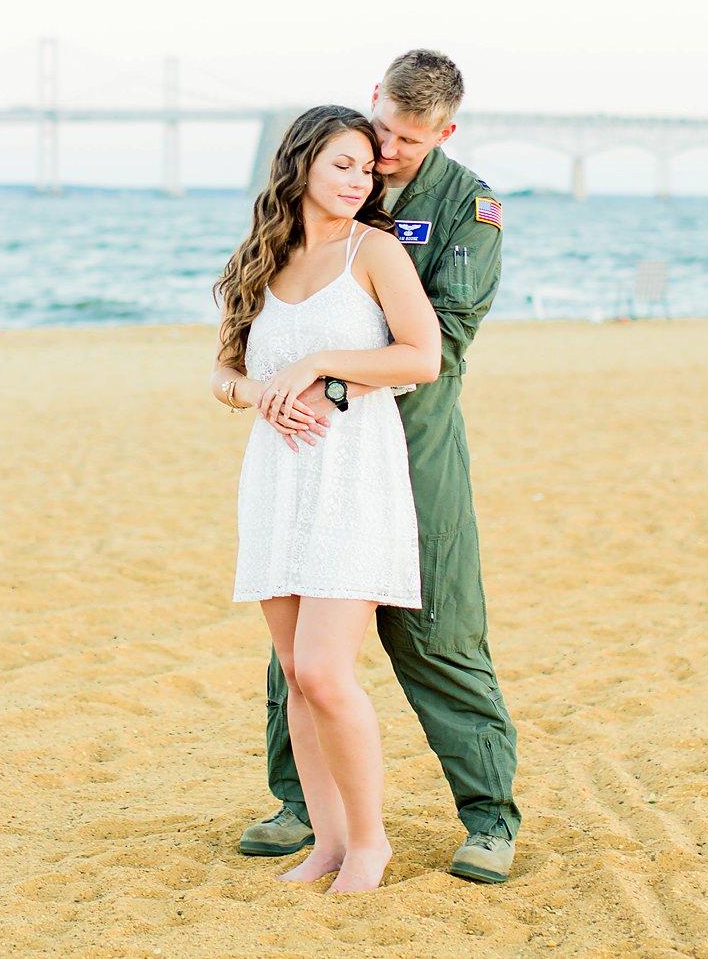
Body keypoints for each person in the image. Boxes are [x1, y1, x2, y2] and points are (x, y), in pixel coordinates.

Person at [236, 50, 522, 886]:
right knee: (301, 645)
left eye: (405, 140)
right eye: (381, 130)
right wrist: (267, 388)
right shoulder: (334, 176)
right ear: (373, 102)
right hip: (317, 447)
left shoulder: (470, 207)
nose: (385, 154)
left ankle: (489, 815)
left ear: (443, 132)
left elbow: (447, 339)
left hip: (414, 437)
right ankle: (301, 807)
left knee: (439, 628)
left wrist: (324, 379)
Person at [210, 104, 443, 894]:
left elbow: (423, 358)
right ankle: (329, 843)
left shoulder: (375, 252)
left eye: (367, 168)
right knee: (293, 671)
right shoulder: (262, 258)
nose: (358, 179)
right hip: (276, 479)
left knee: (325, 669)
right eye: (342, 164)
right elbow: (224, 376)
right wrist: (261, 394)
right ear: (303, 163)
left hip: (352, 478)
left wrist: (319, 361)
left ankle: (371, 842)